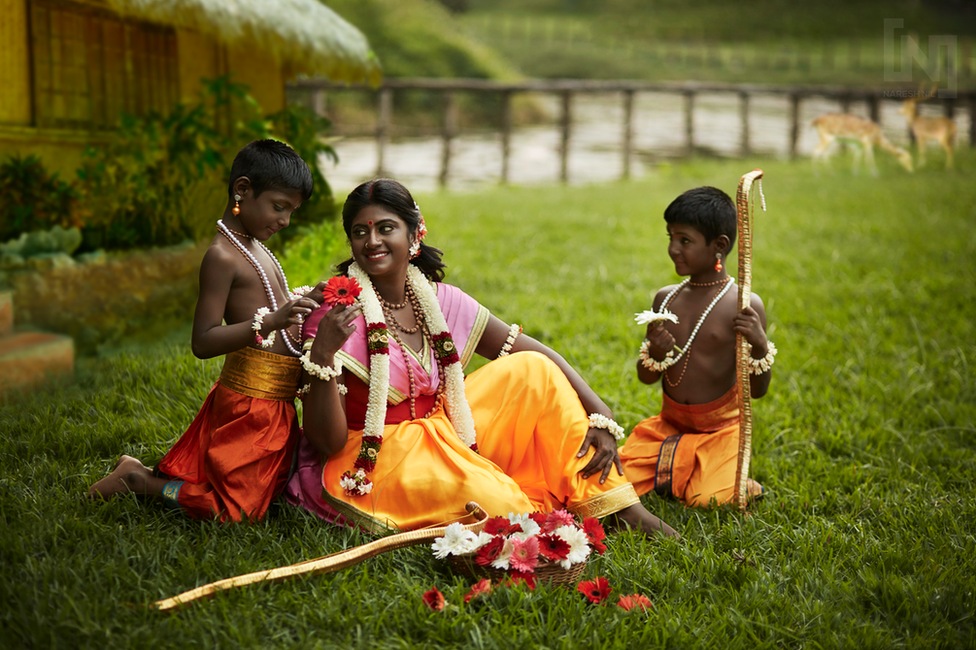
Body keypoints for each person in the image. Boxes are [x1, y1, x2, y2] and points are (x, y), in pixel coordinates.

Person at [286, 178, 677, 539]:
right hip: (371, 456)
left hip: (445, 428)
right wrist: (322, 351)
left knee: (533, 371)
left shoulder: (441, 300)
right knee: (502, 509)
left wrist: (600, 412)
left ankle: (619, 507)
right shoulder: (336, 314)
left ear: (414, 233)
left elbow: (536, 353)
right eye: (360, 231)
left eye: (385, 228)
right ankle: (513, 498)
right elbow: (328, 442)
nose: (372, 241)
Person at [88, 139, 324, 523]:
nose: (285, 221)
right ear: (242, 190)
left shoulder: (256, 246)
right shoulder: (222, 256)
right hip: (250, 404)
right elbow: (203, 340)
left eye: (291, 212)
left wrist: (307, 299)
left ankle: (147, 475)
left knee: (273, 493)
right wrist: (272, 321)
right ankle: (138, 480)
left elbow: (270, 299)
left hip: (275, 403)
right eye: (279, 207)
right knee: (236, 511)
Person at [619, 186, 774, 507]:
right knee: (617, 482)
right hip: (669, 426)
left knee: (707, 500)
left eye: (684, 240)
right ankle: (689, 467)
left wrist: (759, 346)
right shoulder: (666, 298)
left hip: (720, 430)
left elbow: (756, 391)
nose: (673, 249)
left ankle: (731, 477)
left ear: (720, 246)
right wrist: (656, 352)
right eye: (670, 238)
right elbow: (646, 377)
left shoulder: (744, 304)